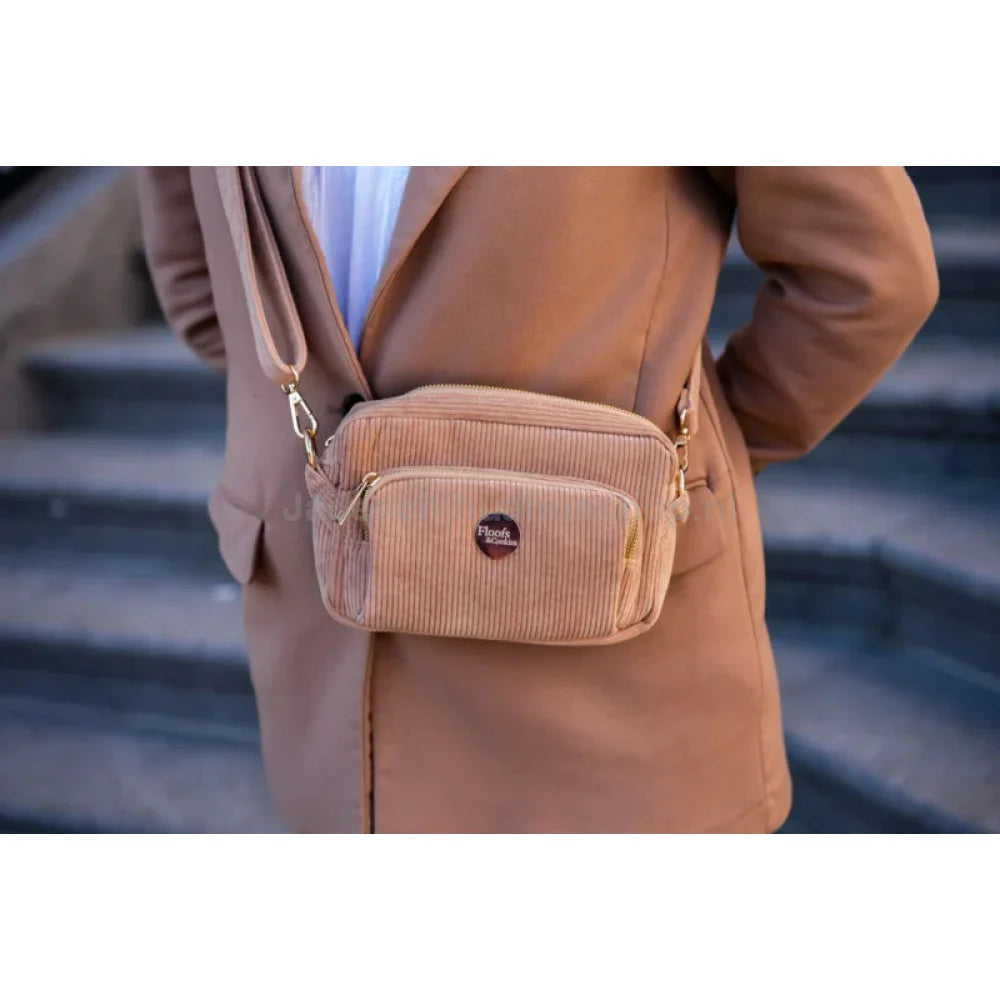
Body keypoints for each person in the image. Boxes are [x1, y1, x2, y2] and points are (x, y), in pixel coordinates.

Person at [138, 166, 938, 833]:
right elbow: (207, 290)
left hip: (609, 707)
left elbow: (868, 276)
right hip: (326, 695)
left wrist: (668, 468)